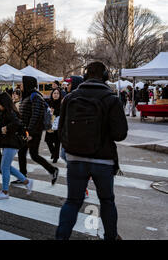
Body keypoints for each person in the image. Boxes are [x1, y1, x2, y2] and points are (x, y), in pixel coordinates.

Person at [56, 62, 128, 240]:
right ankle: (110, 236)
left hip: (75, 158)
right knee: (107, 201)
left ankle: (61, 237)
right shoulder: (111, 99)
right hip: (103, 160)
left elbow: (60, 129)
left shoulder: (70, 98)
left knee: (72, 201)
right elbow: (120, 134)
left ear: (85, 76)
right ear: (105, 77)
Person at [17, 76, 59, 185]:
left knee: (34, 155)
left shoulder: (36, 96)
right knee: (22, 153)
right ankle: (22, 177)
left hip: (33, 131)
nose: (20, 85)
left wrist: (29, 132)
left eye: (22, 83)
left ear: (28, 84)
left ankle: (53, 170)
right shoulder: (26, 96)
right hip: (26, 130)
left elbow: (36, 116)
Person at [0, 92, 33, 200]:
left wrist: (6, 128)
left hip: (12, 143)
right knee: (6, 166)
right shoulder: (6, 112)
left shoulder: (10, 112)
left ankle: (5, 192)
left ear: (3, 103)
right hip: (8, 143)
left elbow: (17, 123)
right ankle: (26, 182)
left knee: (4, 167)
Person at [60, 76, 84, 162]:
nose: (67, 86)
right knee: (64, 156)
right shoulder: (68, 96)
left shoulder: (73, 98)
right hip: (68, 135)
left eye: (69, 84)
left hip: (73, 137)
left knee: (66, 156)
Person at [45, 88, 63, 164]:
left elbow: (62, 113)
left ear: (60, 95)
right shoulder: (49, 102)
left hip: (57, 125)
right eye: (54, 93)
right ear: (52, 94)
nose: (56, 95)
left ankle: (56, 156)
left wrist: (54, 112)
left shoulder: (61, 103)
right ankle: (53, 152)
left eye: (57, 93)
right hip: (49, 124)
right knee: (48, 140)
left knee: (57, 142)